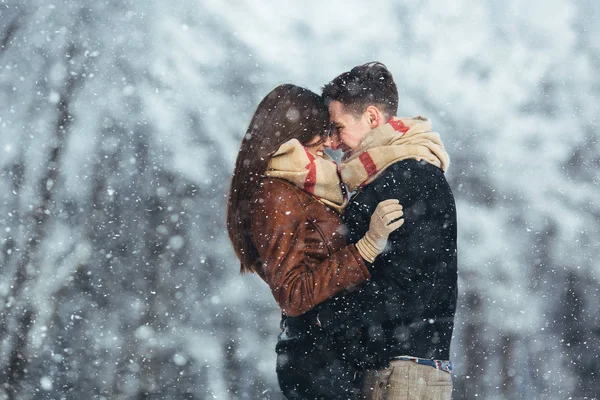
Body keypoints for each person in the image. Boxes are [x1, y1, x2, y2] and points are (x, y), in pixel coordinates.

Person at [226, 84, 405, 399]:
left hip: (331, 353)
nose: (330, 143)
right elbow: (292, 294)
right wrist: (363, 250)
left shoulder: (306, 190)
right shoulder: (275, 194)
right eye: (322, 134)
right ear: (295, 132)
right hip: (316, 359)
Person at [319, 62, 458, 400]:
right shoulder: (385, 176)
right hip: (397, 367)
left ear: (370, 117)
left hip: (401, 374)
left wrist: (327, 314)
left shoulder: (411, 175)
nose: (333, 142)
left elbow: (411, 279)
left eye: (337, 128)